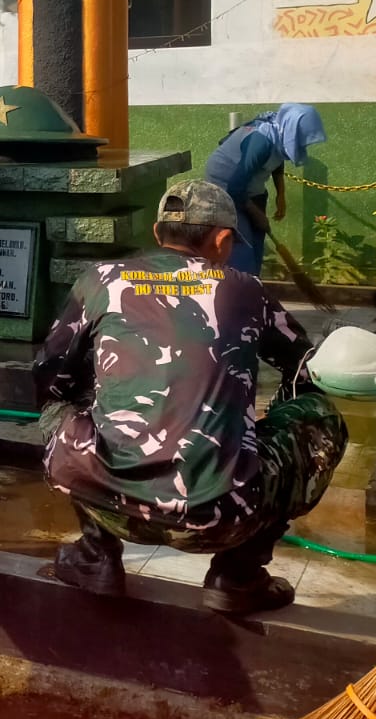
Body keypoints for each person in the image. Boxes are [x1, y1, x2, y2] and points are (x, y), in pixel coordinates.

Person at [35, 179, 348, 614]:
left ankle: (95, 554)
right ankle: (238, 574)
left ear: (158, 234)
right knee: (319, 415)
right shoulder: (244, 290)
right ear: (221, 240)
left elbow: (49, 375)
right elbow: (306, 368)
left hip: (109, 501)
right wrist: (257, 429)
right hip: (221, 518)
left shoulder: (100, 280)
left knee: (64, 406)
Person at [204, 104, 326, 276]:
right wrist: (257, 214)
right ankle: (241, 287)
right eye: (302, 138)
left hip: (251, 187)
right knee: (242, 244)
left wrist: (280, 195)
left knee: (257, 238)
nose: (303, 144)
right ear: (292, 130)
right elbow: (236, 187)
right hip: (224, 187)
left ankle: (254, 282)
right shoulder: (260, 142)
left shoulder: (279, 136)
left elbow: (277, 160)